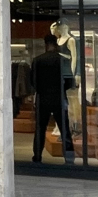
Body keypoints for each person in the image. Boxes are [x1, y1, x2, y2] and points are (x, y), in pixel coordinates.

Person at [30, 34, 75, 163]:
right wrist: (60, 89)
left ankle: (37, 156)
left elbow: (33, 81)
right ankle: (69, 157)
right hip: (59, 97)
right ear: (56, 44)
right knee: (64, 128)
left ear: (45, 44)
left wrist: (41, 90)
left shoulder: (37, 60)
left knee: (40, 129)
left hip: (43, 97)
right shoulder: (62, 60)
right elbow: (69, 81)